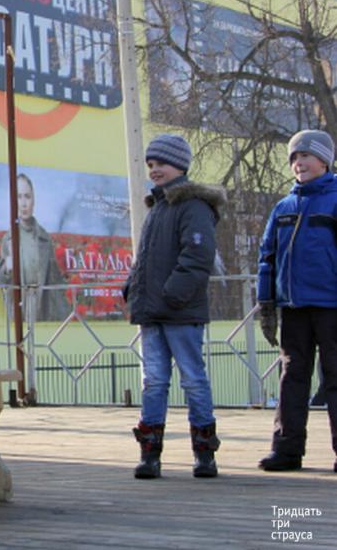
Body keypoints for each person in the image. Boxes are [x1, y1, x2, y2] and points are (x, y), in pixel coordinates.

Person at [123, 133, 224, 479]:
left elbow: (197, 256)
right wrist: (132, 288)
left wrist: (171, 295)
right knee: (154, 382)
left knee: (193, 380)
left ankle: (204, 453)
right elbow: (145, 259)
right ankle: (150, 454)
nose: (154, 169)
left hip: (179, 311)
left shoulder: (193, 206)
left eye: (161, 163)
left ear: (180, 165)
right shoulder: (157, 207)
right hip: (152, 311)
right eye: (150, 164)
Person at [256, 130, 337, 473]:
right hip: (293, 307)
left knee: (335, 378)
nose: (299, 163)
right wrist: (266, 303)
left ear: (325, 161)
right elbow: (267, 258)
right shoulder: (283, 207)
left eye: (306, 156)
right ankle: (286, 450)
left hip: (331, 306)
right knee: (292, 377)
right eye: (294, 158)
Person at [0, 173, 71, 322]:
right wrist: (7, 268)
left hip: (42, 311)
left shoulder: (45, 239)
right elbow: (1, 280)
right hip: (19, 310)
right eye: (19, 197)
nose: (23, 204)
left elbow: (55, 281)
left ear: (33, 200)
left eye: (27, 197)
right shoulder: (8, 239)